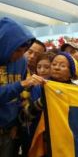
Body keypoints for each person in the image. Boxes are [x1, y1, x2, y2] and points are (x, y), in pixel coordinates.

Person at [0, 17, 45, 157]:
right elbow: (21, 87)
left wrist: (16, 125)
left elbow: (22, 96)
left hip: (9, 132)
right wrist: (21, 84)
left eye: (24, 50)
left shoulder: (21, 62)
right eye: (17, 50)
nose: (21, 55)